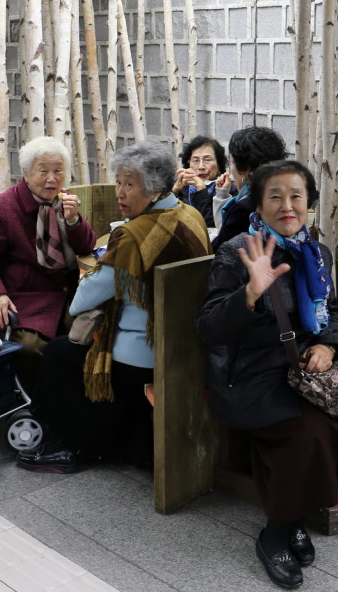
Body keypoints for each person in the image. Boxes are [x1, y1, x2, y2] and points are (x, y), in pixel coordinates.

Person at [198, 159, 338, 589]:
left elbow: (333, 312)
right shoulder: (238, 251)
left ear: (308, 203)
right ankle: (277, 531)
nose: (287, 206)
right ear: (258, 204)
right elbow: (209, 328)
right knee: (306, 431)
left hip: (301, 367)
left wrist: (328, 346)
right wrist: (249, 292)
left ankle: (294, 519)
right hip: (248, 373)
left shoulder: (316, 252)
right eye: (275, 197)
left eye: (296, 196)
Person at [17, 142, 212, 473]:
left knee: (60, 353)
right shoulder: (189, 214)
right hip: (184, 344)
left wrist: (99, 267)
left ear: (154, 189)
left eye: (129, 184)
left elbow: (81, 301)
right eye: (119, 182)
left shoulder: (134, 236)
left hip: (141, 354)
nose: (120, 192)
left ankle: (70, 445)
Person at [0, 136, 96, 394]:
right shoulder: (2, 206)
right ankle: (35, 403)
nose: (52, 179)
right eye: (43, 171)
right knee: (30, 347)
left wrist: (73, 221)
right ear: (26, 173)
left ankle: (75, 400)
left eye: (58, 171)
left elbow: (87, 247)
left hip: (67, 293)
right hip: (25, 297)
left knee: (91, 335)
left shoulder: (64, 201)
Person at [210, 125, 288, 251]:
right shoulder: (285, 196)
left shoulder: (245, 208)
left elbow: (219, 249)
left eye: (233, 162)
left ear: (245, 168)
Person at [172, 135, 230, 228]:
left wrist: (201, 189)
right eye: (195, 161)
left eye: (207, 160)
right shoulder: (180, 188)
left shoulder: (227, 191)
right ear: (188, 162)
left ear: (219, 163)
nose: (201, 167)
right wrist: (174, 191)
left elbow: (210, 228)